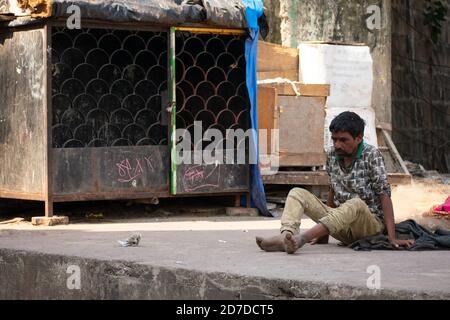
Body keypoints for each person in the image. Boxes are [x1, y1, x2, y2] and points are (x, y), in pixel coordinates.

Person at [256, 111, 415, 254]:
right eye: (335, 139)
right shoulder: (332, 155)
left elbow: (384, 195)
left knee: (356, 203)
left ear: (359, 138)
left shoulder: (371, 155)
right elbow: (332, 189)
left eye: (343, 140)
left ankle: (301, 239)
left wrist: (392, 237)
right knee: (297, 193)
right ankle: (286, 238)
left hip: (369, 226)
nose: (337, 144)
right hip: (341, 225)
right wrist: (324, 235)